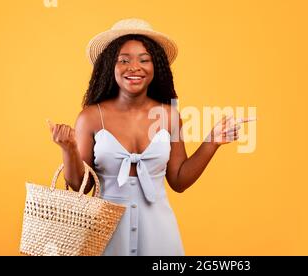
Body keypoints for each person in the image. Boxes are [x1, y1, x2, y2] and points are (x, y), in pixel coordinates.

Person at [47, 18, 253, 256]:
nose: (134, 67)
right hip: (105, 233)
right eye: (124, 60)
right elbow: (80, 187)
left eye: (144, 60)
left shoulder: (169, 116)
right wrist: (68, 149)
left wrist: (212, 142)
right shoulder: (91, 117)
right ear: (109, 67)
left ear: (156, 67)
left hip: (160, 233)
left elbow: (178, 180)